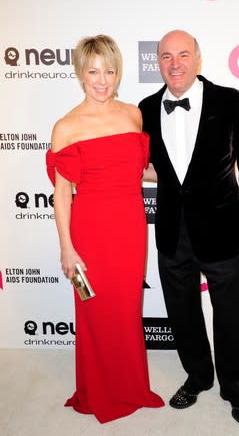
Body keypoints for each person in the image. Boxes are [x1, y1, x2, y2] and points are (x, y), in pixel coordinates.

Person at [139, 29, 239, 427]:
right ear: (157, 62)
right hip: (172, 231)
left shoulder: (230, 101)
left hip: (223, 227)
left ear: (197, 58)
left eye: (182, 55)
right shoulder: (143, 109)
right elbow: (145, 168)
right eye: (165, 57)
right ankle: (197, 376)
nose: (174, 63)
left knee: (227, 314)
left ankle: (235, 392)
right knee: (182, 312)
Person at [46, 34, 164, 423]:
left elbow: (141, 171)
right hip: (90, 232)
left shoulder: (133, 115)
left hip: (130, 228)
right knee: (94, 310)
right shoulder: (66, 126)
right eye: (93, 71)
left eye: (109, 71)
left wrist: (187, 177)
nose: (102, 80)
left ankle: (131, 386)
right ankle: (97, 390)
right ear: (80, 73)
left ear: (118, 73)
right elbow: (62, 195)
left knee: (127, 310)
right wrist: (67, 248)